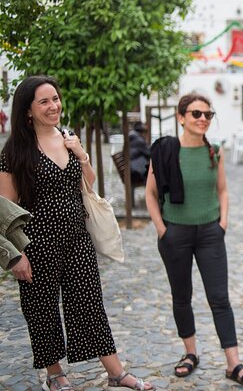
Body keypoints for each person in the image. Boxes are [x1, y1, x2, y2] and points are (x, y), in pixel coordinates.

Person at [0, 75, 154, 391]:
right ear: (27, 110)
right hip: (36, 242)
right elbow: (5, 208)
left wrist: (81, 154)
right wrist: (17, 255)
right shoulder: (15, 151)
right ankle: (55, 374)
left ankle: (116, 372)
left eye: (55, 98)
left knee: (89, 303)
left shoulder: (68, 136)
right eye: (44, 101)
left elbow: (88, 182)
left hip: (77, 237)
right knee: (41, 308)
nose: (53, 105)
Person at [145, 93, 243, 387]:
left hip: (210, 232)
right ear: (181, 117)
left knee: (220, 298)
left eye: (208, 114)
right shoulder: (166, 151)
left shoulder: (215, 151)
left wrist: (223, 222)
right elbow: (151, 194)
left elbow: (222, 189)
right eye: (196, 114)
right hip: (175, 233)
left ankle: (233, 363)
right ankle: (190, 353)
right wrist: (162, 229)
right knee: (181, 296)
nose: (203, 119)